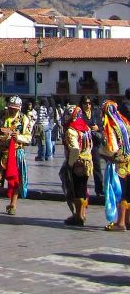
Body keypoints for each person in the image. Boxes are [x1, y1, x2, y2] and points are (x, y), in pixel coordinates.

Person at [0, 95, 33, 215]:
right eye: (11, 108)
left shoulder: (24, 119)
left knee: (15, 179)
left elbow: (28, 137)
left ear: (19, 108)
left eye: (15, 108)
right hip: (1, 151)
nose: (12, 110)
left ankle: (13, 204)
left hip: (16, 152)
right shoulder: (1, 115)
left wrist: (18, 137)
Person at [99, 99, 130, 231]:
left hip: (118, 163)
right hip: (129, 160)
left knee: (120, 191)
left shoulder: (110, 126)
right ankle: (127, 221)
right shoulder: (125, 123)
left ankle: (121, 222)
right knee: (128, 191)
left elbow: (111, 148)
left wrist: (102, 154)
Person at [60, 104, 93, 226]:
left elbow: (74, 149)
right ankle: (81, 214)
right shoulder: (86, 128)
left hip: (77, 162)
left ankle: (78, 216)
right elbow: (90, 145)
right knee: (83, 188)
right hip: (87, 161)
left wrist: (70, 164)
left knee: (76, 189)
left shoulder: (71, 130)